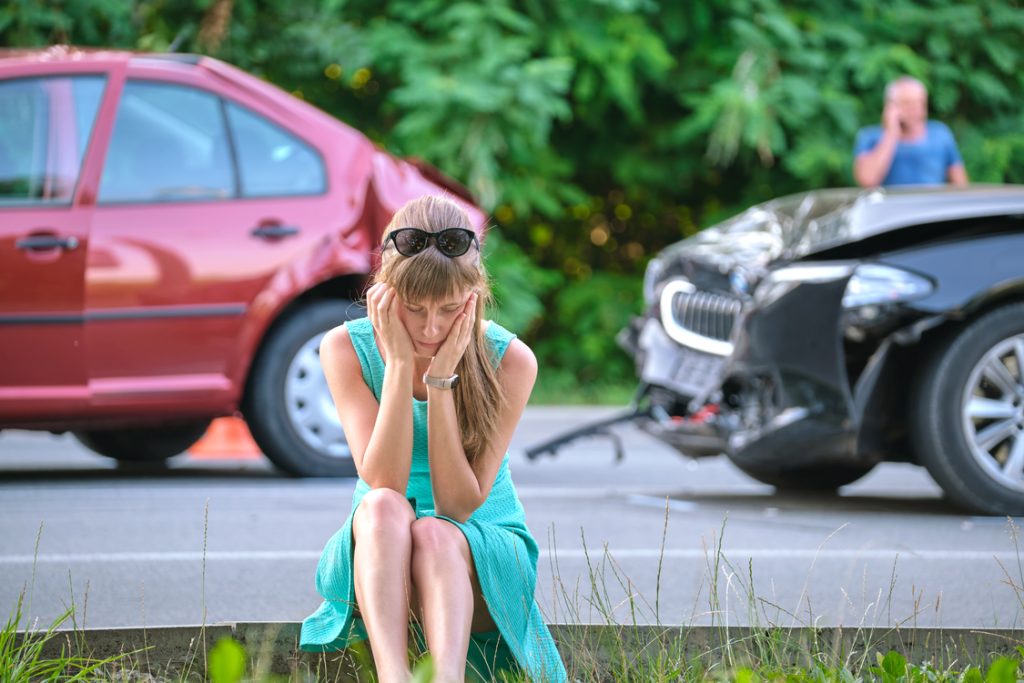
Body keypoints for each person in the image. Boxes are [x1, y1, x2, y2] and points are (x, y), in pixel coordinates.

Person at [299, 194, 568, 683]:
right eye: (414, 308)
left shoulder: (510, 360)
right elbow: (383, 480)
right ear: (383, 291)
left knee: (436, 533)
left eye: (448, 309)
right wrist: (401, 366)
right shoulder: (344, 348)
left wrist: (441, 381)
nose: (430, 327)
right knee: (382, 507)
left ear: (474, 293)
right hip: (381, 559)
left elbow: (458, 506)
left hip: (478, 560)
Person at [853, 76, 968, 188]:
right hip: (892, 206)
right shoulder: (870, 136)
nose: (916, 109)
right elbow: (867, 180)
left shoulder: (940, 134)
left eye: (920, 102)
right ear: (890, 106)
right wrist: (891, 133)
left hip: (931, 206)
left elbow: (961, 185)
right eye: (908, 103)